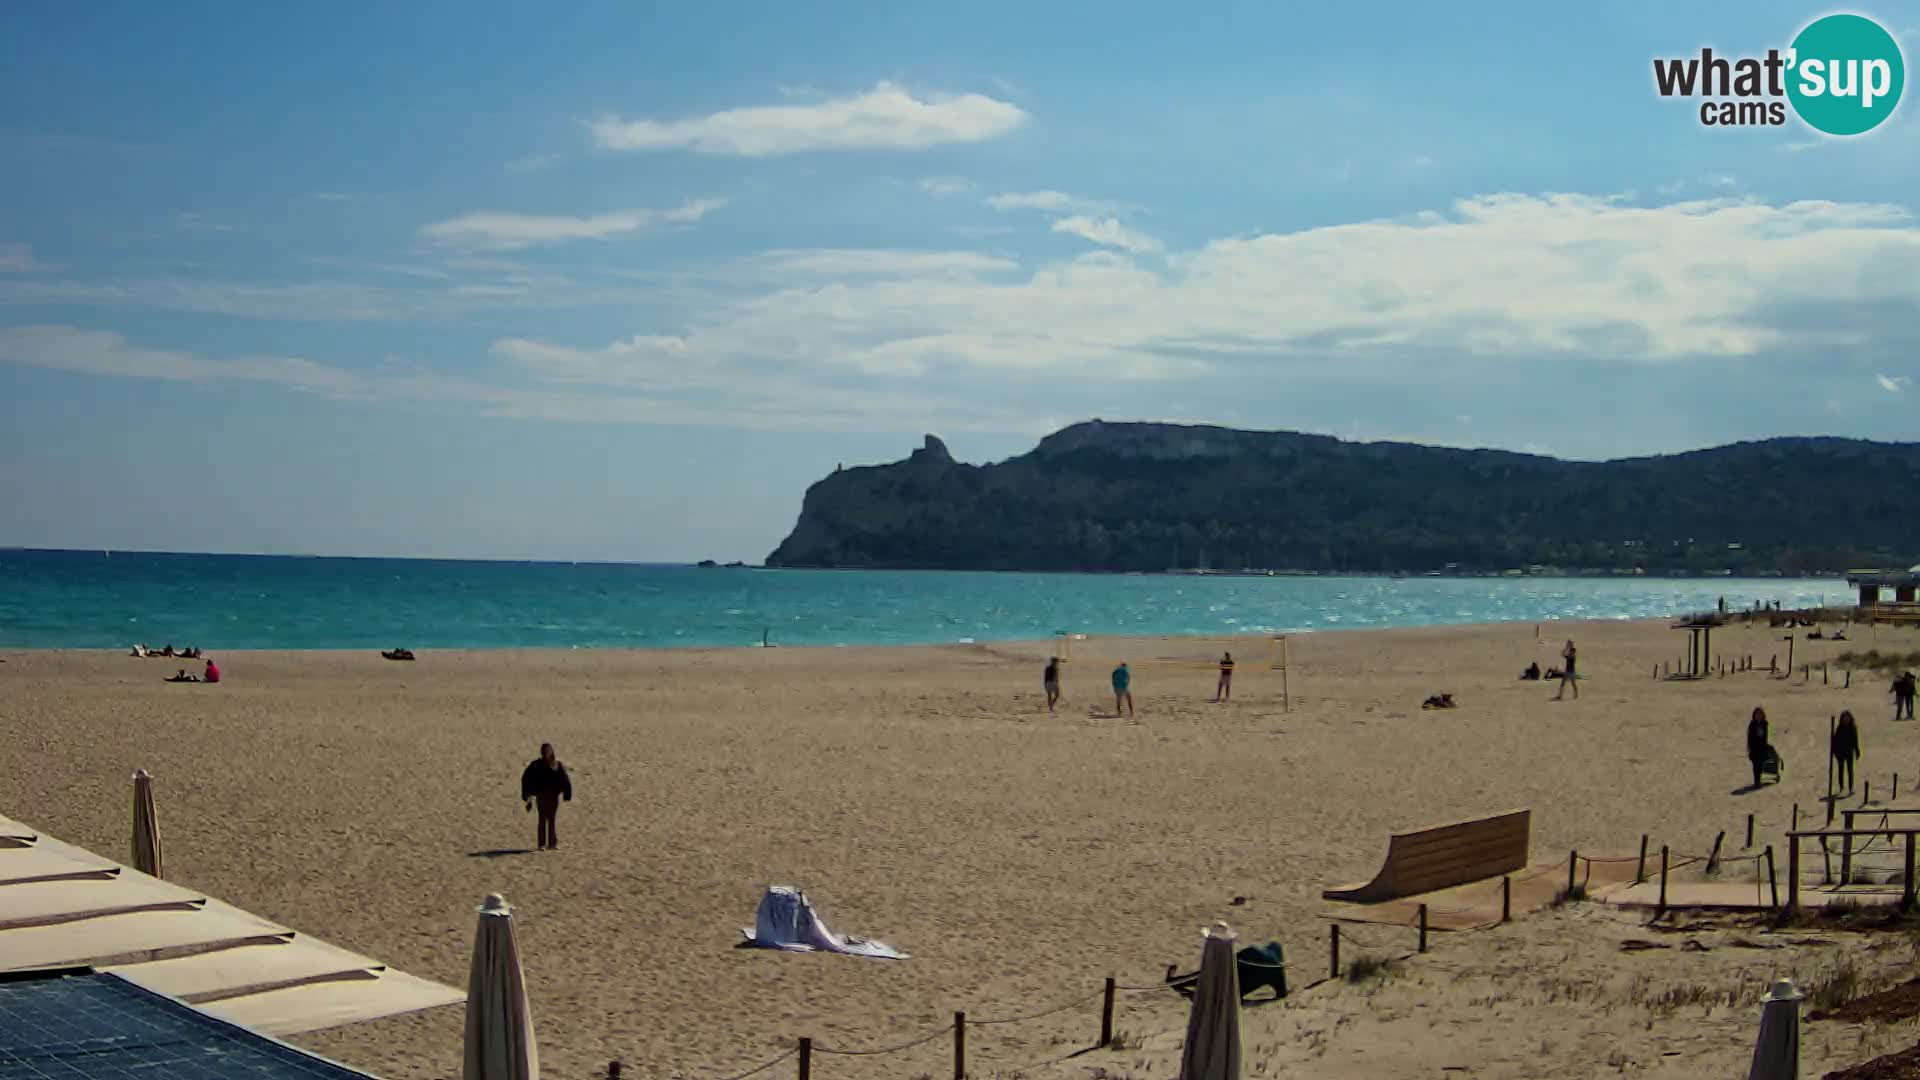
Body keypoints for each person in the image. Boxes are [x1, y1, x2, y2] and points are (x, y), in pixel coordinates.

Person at [520, 743, 573, 850]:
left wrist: (567, 794)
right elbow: (526, 778)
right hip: (541, 796)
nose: (547, 753)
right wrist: (528, 796)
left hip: (553, 796)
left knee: (552, 820)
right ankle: (541, 844)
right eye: (545, 751)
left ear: (552, 751)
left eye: (549, 750)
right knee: (542, 820)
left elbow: (565, 779)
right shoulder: (536, 765)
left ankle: (552, 844)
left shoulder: (557, 764)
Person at [1833, 710, 1861, 795]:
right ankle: (1841, 787)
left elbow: (1855, 740)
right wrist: (1835, 751)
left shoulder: (1853, 728)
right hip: (1840, 752)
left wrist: (1857, 750)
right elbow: (1835, 740)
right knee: (1841, 770)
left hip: (1849, 752)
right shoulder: (1839, 728)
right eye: (1844, 719)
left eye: (1847, 718)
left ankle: (1850, 788)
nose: (1846, 720)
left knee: (1850, 770)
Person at [1746, 707, 1770, 788]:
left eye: (1760, 714)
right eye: (1757, 714)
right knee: (1755, 765)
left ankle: (1759, 780)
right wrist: (1749, 747)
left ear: (1763, 715)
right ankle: (1756, 781)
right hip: (1754, 747)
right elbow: (1749, 737)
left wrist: (1766, 746)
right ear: (1754, 715)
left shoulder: (1765, 723)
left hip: (1762, 747)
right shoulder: (1752, 724)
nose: (1758, 716)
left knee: (1760, 765)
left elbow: (1766, 736)